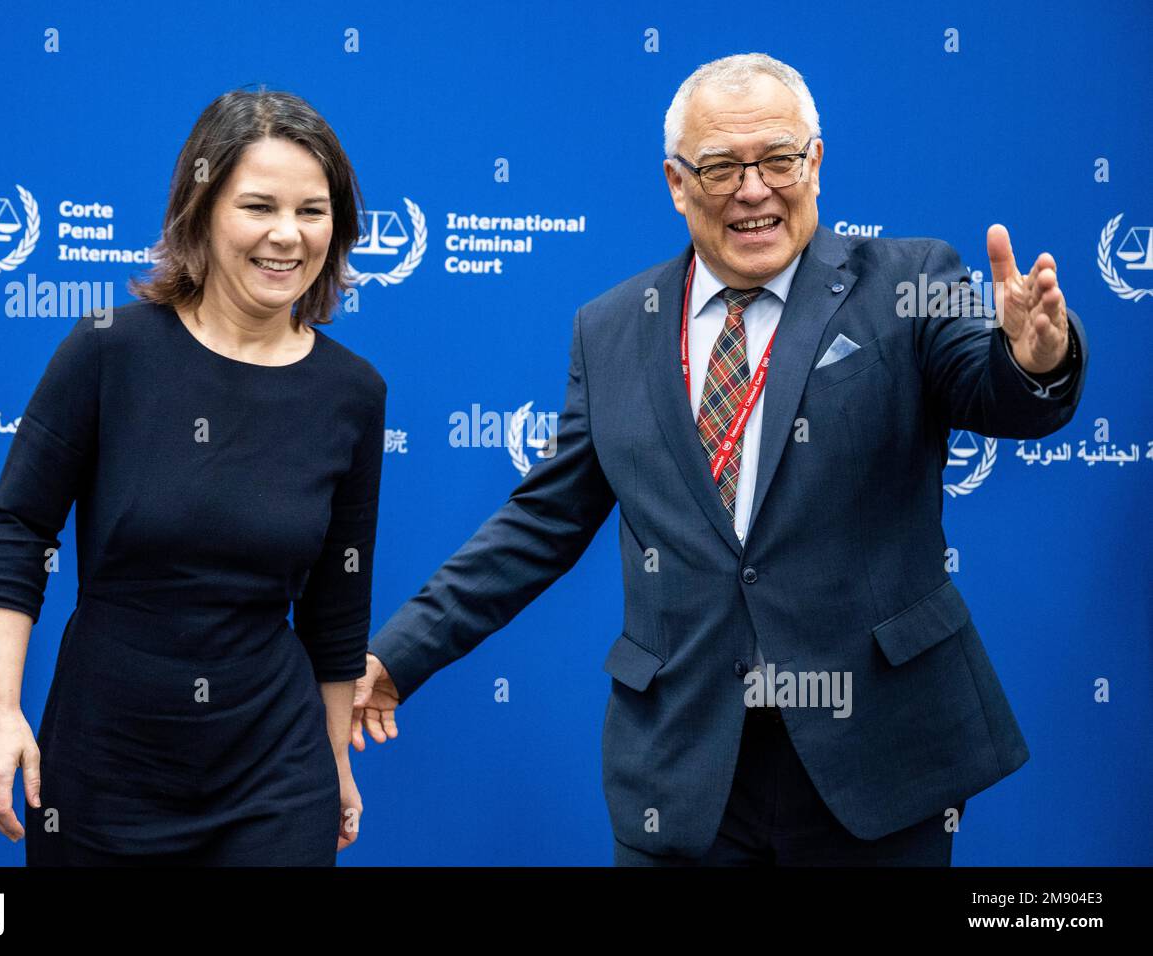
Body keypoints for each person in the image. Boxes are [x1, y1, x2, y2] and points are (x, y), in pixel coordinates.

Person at [352, 53, 1087, 866]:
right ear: (676, 182)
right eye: (722, 167)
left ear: (814, 163)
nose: (753, 188)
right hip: (685, 768)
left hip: (876, 755)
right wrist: (401, 650)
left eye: (777, 159)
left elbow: (997, 391)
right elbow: (543, 521)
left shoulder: (911, 280)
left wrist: (1033, 359)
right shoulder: (610, 329)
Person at [0, 88, 386, 865]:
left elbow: (336, 605)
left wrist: (334, 761)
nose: (287, 236)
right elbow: (18, 529)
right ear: (202, 210)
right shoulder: (108, 352)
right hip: (105, 766)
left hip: (274, 774)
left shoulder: (353, 393)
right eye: (258, 206)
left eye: (313, 211)